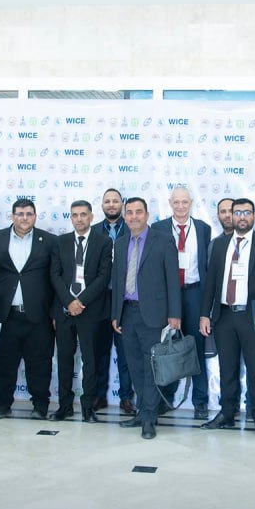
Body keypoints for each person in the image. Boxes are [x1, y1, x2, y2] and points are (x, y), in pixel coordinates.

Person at [198, 197, 255, 437]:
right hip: (224, 316)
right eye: (237, 212)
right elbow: (211, 283)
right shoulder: (220, 245)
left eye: (246, 212)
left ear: (253, 216)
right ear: (231, 216)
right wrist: (204, 314)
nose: (242, 217)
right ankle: (227, 412)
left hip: (253, 316)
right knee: (227, 368)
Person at [110, 197, 181, 440]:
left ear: (147, 215)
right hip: (127, 314)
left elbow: (172, 279)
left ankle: (149, 417)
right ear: (125, 216)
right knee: (135, 366)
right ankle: (142, 412)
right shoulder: (120, 243)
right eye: (129, 212)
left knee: (151, 369)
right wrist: (115, 314)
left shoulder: (164, 240)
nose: (134, 217)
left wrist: (175, 314)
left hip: (154, 315)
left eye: (138, 212)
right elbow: (118, 281)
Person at [0, 199, 55, 419]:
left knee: (40, 363)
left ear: (35, 216)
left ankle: (40, 405)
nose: (24, 218)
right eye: (20, 214)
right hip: (3, 314)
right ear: (12, 216)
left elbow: (56, 279)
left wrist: (54, 313)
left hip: (39, 315)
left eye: (29, 214)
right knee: (1, 363)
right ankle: (2, 403)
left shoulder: (49, 241)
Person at [150, 186, 212, 418]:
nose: (180, 206)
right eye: (176, 202)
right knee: (168, 349)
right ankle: (166, 398)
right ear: (170, 203)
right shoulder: (158, 228)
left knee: (197, 348)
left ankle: (200, 401)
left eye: (184, 202)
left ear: (191, 203)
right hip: (167, 296)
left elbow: (206, 267)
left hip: (194, 294)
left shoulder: (203, 229)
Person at [49, 200, 112, 422]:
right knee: (64, 359)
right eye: (75, 215)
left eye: (83, 214)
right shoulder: (60, 242)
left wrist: (81, 301)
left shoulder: (104, 242)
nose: (79, 219)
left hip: (91, 310)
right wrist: (69, 302)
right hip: (64, 310)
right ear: (71, 218)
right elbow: (54, 275)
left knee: (90, 360)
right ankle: (64, 406)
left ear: (91, 217)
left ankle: (87, 407)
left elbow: (103, 277)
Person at [94, 188, 132, 414]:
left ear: (122, 204)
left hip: (126, 300)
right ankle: (100, 396)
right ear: (102, 205)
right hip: (100, 299)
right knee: (100, 351)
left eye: (115, 201)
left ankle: (126, 397)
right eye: (107, 201)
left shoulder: (132, 229)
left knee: (125, 352)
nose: (111, 205)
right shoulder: (93, 231)